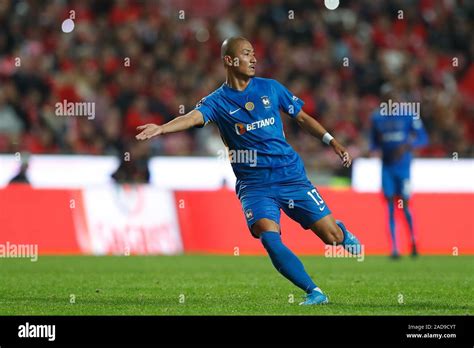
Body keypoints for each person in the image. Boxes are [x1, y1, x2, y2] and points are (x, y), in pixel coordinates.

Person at [136, 37, 361, 305]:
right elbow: (192, 117)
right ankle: (314, 291)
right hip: (254, 185)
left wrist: (332, 142)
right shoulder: (217, 102)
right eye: (246, 54)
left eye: (253, 53)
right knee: (269, 237)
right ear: (230, 61)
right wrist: (162, 128)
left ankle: (341, 232)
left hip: (290, 176)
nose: (253, 58)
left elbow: (301, 117)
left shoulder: (270, 88)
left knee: (332, 238)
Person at [370, 86, 428, 259]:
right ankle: (394, 248)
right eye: (387, 98)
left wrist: (408, 146)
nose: (391, 101)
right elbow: (373, 142)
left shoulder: (409, 115)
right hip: (387, 167)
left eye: (393, 97)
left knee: (405, 204)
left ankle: (413, 241)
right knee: (389, 206)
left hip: (403, 168)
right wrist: (374, 151)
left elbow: (423, 138)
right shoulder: (377, 118)